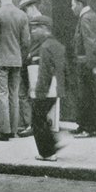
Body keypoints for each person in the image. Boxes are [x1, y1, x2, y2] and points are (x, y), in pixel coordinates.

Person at [0, 0, 30, 141]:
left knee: (1, 95)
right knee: (14, 95)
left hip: (0, 60)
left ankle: (3, 131)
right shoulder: (22, 14)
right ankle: (14, 129)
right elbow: (26, 42)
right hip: (16, 60)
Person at [27, 15, 66, 161]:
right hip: (56, 89)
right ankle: (52, 145)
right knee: (41, 118)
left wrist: (38, 91)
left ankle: (47, 152)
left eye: (36, 28)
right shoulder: (56, 44)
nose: (33, 31)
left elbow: (44, 73)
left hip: (46, 89)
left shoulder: (45, 46)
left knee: (37, 120)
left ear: (45, 29)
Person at [70, 0, 96, 138]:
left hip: (85, 64)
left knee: (86, 96)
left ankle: (89, 128)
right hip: (89, 62)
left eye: (72, 5)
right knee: (86, 95)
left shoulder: (85, 19)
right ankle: (84, 125)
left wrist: (92, 65)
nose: (71, 8)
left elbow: (90, 43)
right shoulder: (94, 16)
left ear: (79, 4)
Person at [17, 0, 43, 138]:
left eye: (25, 10)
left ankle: (30, 124)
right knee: (29, 93)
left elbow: (33, 43)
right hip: (33, 61)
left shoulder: (36, 22)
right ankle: (31, 123)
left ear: (30, 8)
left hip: (32, 62)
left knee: (27, 93)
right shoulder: (38, 21)